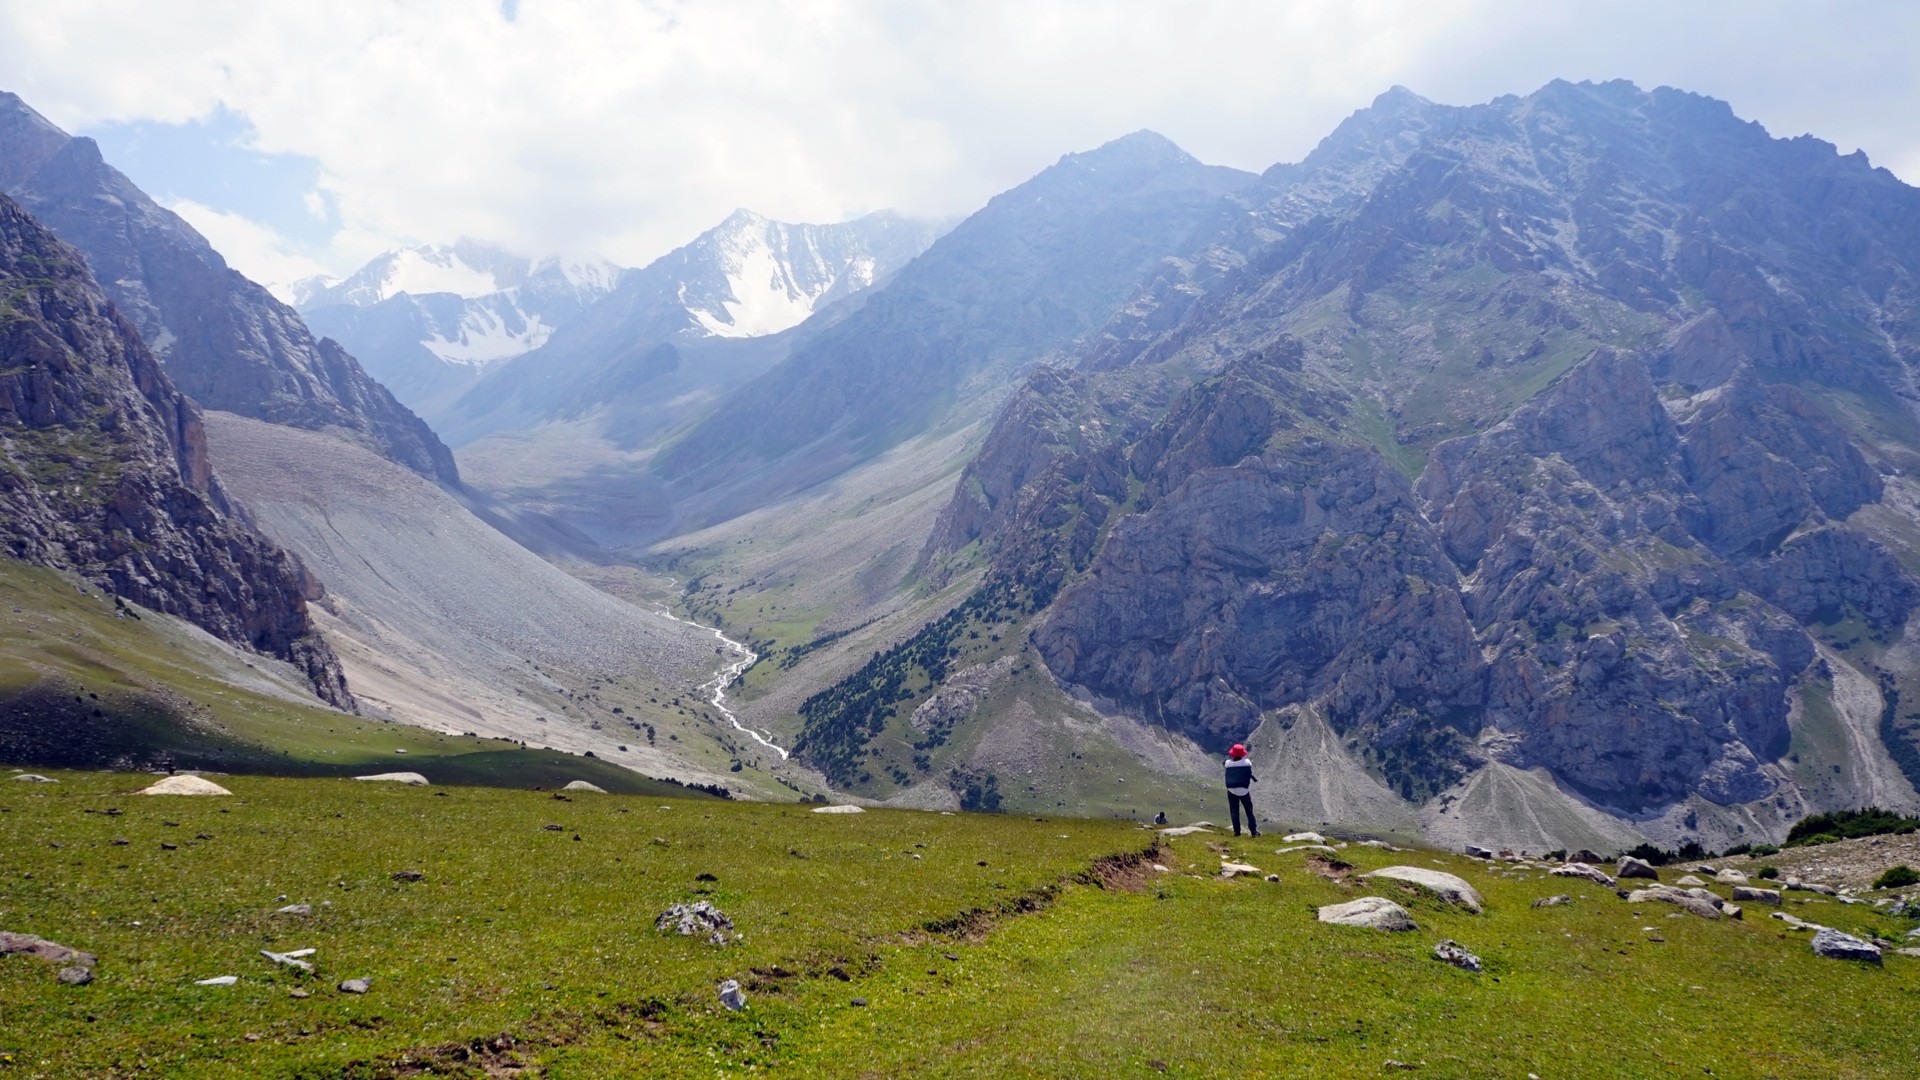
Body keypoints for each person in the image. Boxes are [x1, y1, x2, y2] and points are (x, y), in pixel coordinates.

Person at [1224, 743, 1258, 837]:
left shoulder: (1228, 763)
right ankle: (1254, 831)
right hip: (1244, 790)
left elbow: (1226, 766)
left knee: (1234, 811)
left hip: (1231, 790)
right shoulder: (1247, 762)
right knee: (1249, 811)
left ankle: (1237, 832)